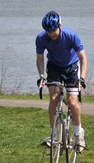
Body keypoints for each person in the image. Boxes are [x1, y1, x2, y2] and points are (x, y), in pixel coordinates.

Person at [36, 10, 87, 149]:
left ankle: (78, 133)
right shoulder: (41, 38)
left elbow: (83, 58)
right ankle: (53, 134)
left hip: (71, 67)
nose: (51, 33)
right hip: (54, 67)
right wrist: (41, 76)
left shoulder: (70, 35)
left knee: (71, 101)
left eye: (53, 30)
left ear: (60, 26)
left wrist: (82, 78)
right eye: (48, 31)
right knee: (53, 98)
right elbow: (40, 59)